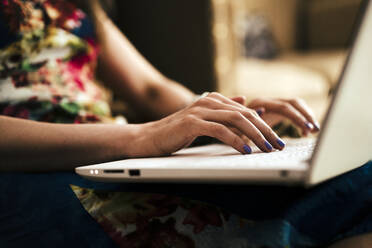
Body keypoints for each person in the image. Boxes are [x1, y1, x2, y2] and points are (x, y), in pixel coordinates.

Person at [1, 1, 371, 248]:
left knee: (358, 177)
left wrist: (220, 114)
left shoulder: (78, 5)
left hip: (111, 153)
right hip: (36, 163)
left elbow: (151, 87)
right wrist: (141, 135)